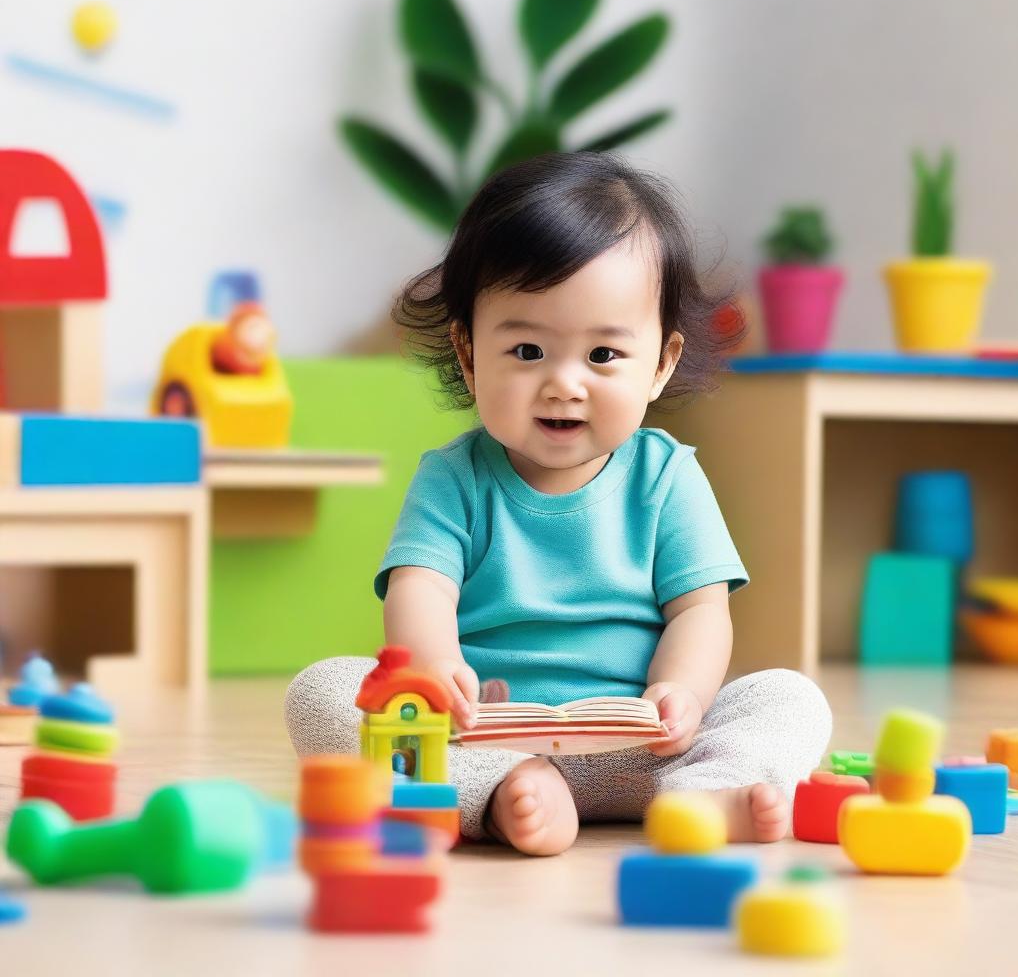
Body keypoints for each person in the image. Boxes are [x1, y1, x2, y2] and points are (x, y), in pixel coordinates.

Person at [286, 152, 831, 855]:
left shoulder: (668, 477)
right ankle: (499, 793)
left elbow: (701, 610)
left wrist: (681, 693)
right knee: (324, 691)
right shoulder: (455, 478)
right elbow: (420, 588)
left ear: (661, 363)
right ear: (469, 351)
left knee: (789, 696)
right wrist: (435, 664)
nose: (564, 384)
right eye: (527, 350)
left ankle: (700, 797)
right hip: (490, 734)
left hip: (644, 746)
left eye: (603, 355)